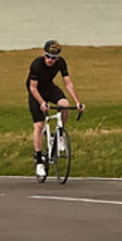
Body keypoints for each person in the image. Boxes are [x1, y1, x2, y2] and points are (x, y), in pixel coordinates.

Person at [26, 40, 83, 177]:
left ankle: (60, 134)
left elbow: (67, 83)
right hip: (36, 92)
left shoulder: (61, 63)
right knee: (39, 125)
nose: (50, 60)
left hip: (49, 88)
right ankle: (39, 160)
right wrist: (41, 102)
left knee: (64, 104)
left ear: (57, 57)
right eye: (47, 56)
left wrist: (77, 102)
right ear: (43, 54)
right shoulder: (36, 65)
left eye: (53, 58)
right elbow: (32, 87)